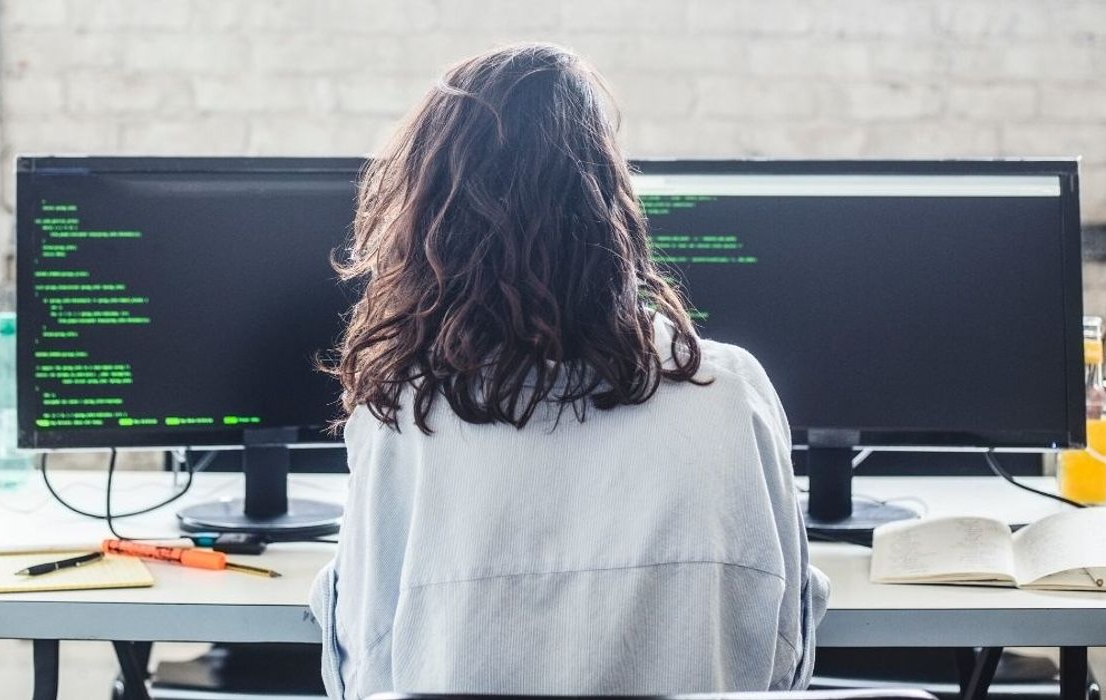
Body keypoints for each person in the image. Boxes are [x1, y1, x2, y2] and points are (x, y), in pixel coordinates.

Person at [310, 42, 828, 699]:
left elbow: (365, 674)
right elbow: (783, 658)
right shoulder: (728, 391)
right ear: (610, 203)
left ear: (431, 219)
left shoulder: (403, 412)